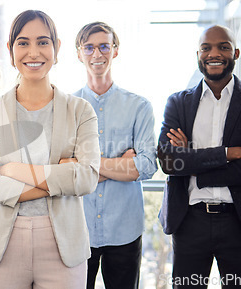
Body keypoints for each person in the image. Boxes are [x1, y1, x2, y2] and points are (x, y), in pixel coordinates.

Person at [0, 9, 100, 289]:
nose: (33, 52)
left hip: (63, 245)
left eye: (42, 42)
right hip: (0, 247)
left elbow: (87, 177)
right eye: (23, 43)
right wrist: (60, 178)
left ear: (57, 47)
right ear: (10, 49)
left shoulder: (80, 111)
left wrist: (14, 171)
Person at [157, 25, 241, 288]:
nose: (214, 53)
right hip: (189, 222)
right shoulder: (177, 103)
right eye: (206, 47)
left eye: (223, 46)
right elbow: (169, 161)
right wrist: (229, 154)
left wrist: (194, 163)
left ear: (235, 53)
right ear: (198, 54)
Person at [74, 22, 158, 289]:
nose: (97, 54)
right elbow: (61, 169)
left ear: (115, 51)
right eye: (89, 47)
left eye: (103, 46)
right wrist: (121, 165)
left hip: (125, 231)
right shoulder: (66, 107)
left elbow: (145, 166)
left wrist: (88, 166)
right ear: (79, 53)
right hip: (77, 232)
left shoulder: (139, 106)